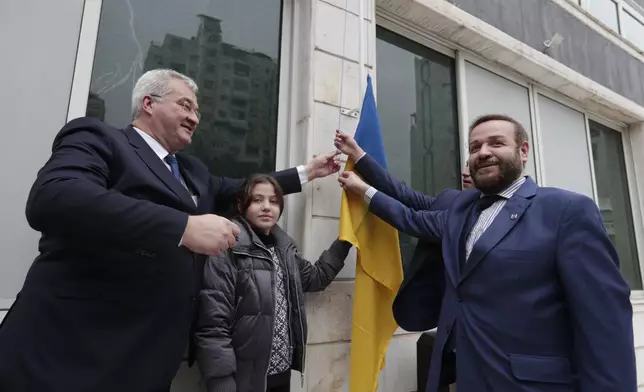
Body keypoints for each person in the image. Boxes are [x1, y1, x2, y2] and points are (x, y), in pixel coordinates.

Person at [0, 69, 340, 392]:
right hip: (70, 352)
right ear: (148, 103)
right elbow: (54, 198)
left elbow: (246, 187)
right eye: (185, 105)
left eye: (197, 109)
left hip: (150, 361)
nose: (196, 117)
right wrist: (182, 228)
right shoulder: (99, 138)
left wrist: (308, 172)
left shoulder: (195, 171)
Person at [338, 114, 636, 392]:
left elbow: (604, 324)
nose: (482, 152)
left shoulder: (566, 211)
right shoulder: (458, 209)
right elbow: (408, 207)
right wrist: (360, 168)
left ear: (523, 151)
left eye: (496, 143)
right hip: (464, 375)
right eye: (474, 146)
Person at [195, 174, 352, 392]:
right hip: (241, 380)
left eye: (274, 201)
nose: (267, 207)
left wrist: (345, 240)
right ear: (241, 204)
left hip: (281, 374)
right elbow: (213, 325)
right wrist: (221, 382)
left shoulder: (284, 249)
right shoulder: (227, 247)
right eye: (258, 200)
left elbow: (316, 278)